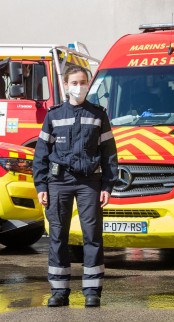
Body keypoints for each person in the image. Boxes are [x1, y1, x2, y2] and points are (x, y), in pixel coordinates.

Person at [33, 65, 118, 307]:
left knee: (92, 236)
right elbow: (41, 153)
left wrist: (107, 186)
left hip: (89, 182)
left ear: (88, 84)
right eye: (74, 82)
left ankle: (92, 291)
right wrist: (41, 185)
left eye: (83, 82)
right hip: (58, 182)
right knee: (58, 235)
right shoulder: (54, 115)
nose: (78, 87)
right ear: (66, 84)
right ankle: (59, 292)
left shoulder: (98, 114)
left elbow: (109, 154)